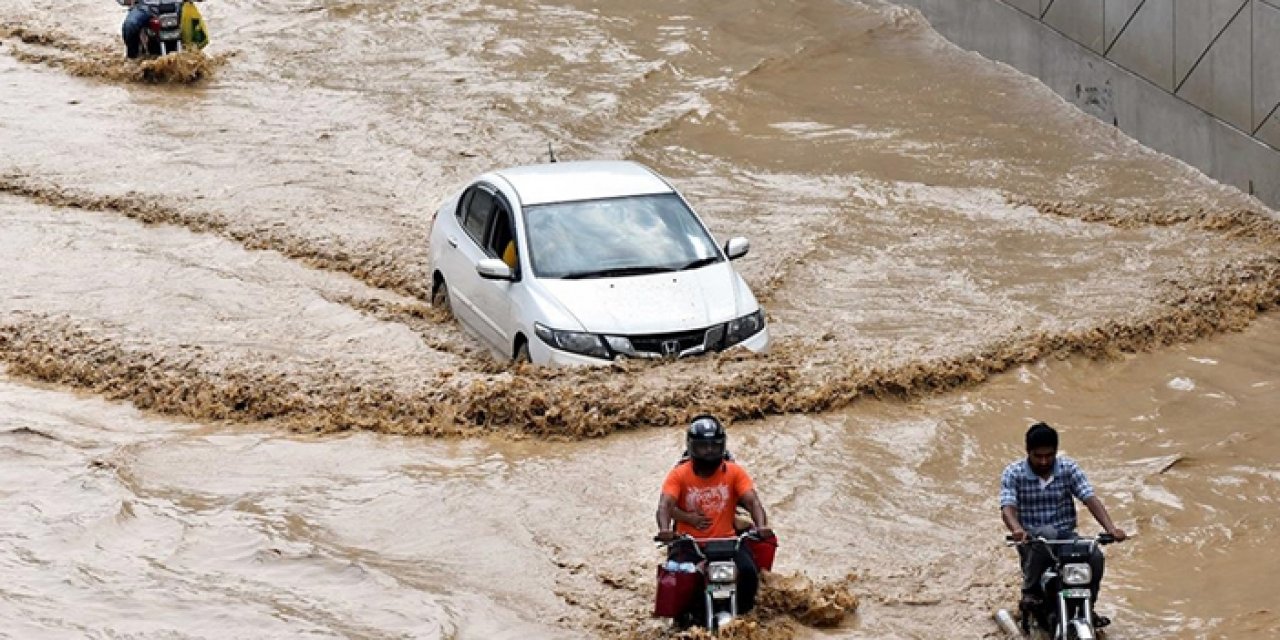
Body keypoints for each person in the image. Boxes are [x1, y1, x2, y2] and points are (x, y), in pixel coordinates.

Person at [1000, 422, 1128, 625]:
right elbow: (1007, 507)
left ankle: (1088, 607)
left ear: (1056, 452)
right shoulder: (1013, 473)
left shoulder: (1069, 469)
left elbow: (1089, 497)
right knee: (1047, 533)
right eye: (1038, 456)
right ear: (1028, 452)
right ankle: (1030, 592)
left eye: (1049, 455)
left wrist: (1111, 529)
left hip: (1065, 538)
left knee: (1094, 556)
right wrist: (1017, 529)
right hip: (1032, 541)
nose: (1044, 461)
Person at [656, 415, 772, 618]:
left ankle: (744, 619)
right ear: (692, 447)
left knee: (748, 573)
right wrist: (665, 531)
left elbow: (753, 501)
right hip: (689, 544)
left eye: (714, 446)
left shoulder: (735, 472)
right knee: (679, 580)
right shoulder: (679, 474)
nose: (709, 451)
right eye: (703, 447)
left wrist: (761, 526)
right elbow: (665, 505)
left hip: (728, 543)